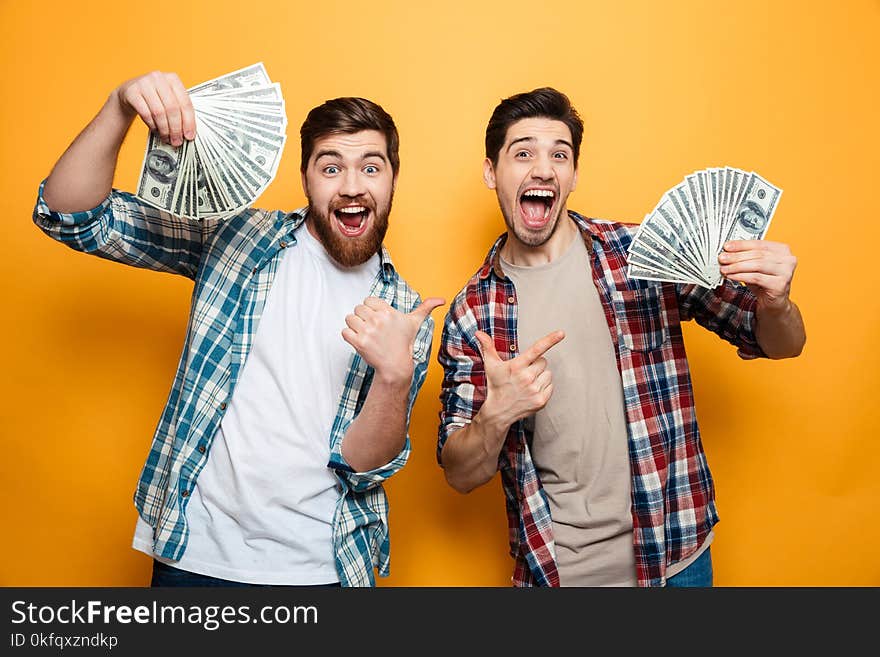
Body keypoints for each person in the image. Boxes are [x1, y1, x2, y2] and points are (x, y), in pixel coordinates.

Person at [33, 70, 444, 587]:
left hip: (322, 569)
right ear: (305, 178)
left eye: (371, 167)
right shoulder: (236, 239)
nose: (352, 186)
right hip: (196, 558)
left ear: (392, 179)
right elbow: (72, 216)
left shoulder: (406, 314)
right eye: (331, 167)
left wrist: (394, 376)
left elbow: (363, 466)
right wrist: (120, 106)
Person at [436, 87, 805, 587]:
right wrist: (497, 412)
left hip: (678, 559)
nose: (542, 169)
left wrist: (776, 302)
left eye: (559, 155)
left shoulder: (642, 257)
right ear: (490, 172)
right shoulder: (473, 312)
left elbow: (781, 342)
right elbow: (459, 473)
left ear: (573, 175)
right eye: (522, 152)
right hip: (560, 573)